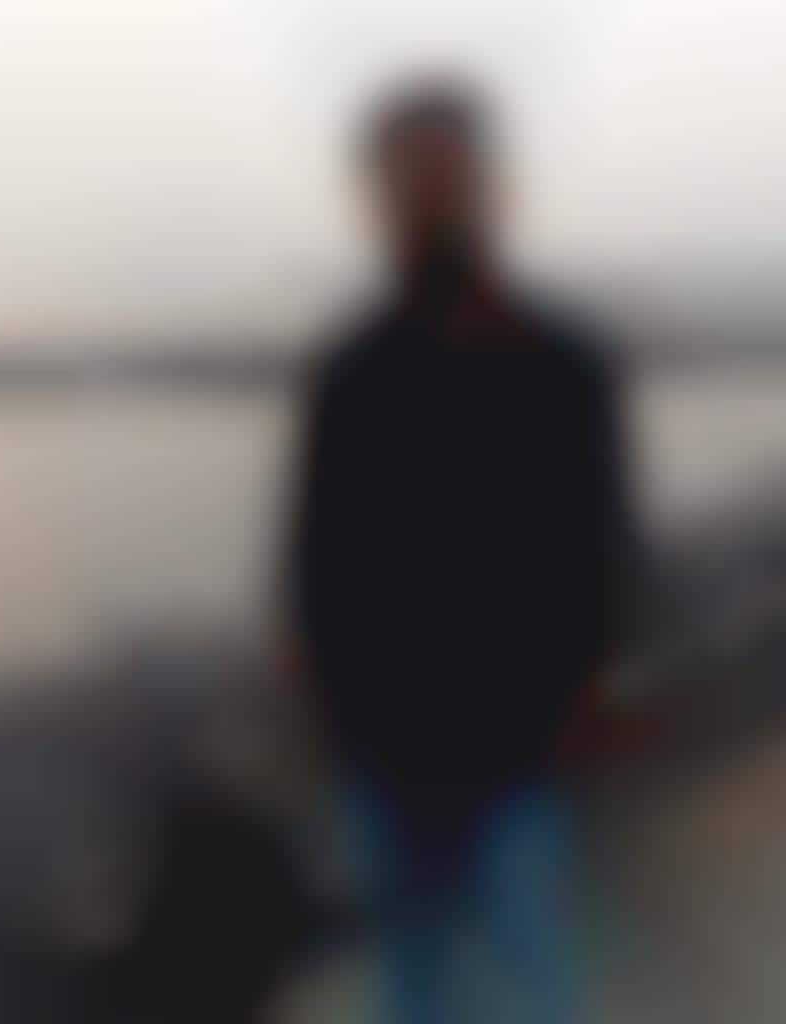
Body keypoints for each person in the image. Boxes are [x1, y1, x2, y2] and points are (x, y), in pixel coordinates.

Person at [280, 78, 657, 1024]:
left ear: (489, 187)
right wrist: (318, 704)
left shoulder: (563, 363)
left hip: (523, 747)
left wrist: (600, 690)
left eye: (445, 174)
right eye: (408, 178)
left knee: (530, 979)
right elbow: (315, 557)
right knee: (414, 986)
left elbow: (605, 545)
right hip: (383, 753)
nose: (427, 196)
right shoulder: (350, 374)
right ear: (379, 198)